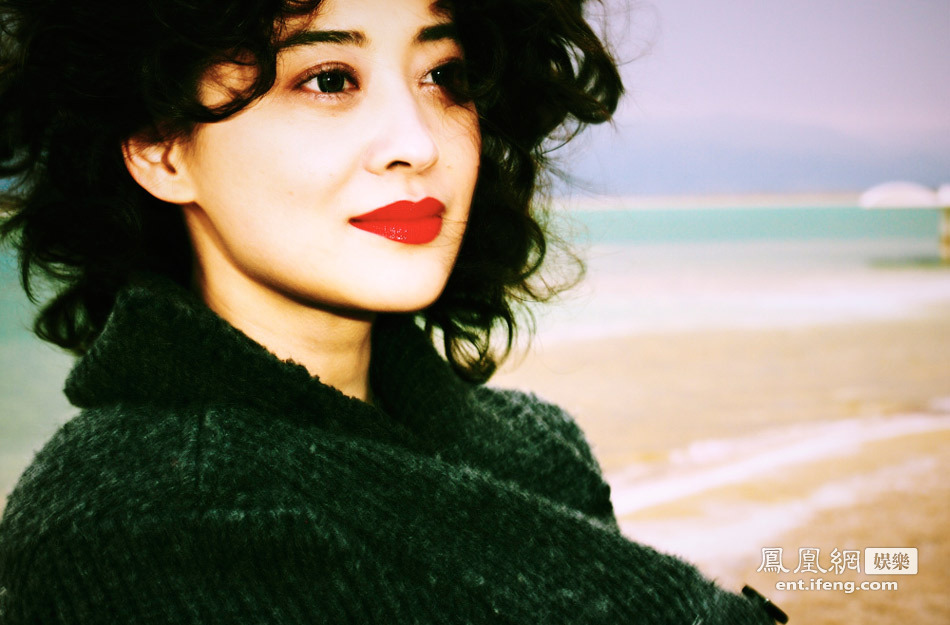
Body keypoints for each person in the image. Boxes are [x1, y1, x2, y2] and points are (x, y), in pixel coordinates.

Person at [0, 0, 785, 622]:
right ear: (160, 146)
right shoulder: (129, 523)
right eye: (329, 80)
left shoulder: (539, 447)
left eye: (443, 75)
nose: (417, 142)